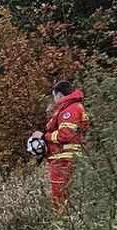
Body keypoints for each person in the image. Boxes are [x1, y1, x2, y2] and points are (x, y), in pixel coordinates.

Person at [30, 80, 88, 210]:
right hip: (65, 157)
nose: (54, 100)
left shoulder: (70, 110)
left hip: (62, 159)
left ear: (60, 95)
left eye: (54, 96)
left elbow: (65, 135)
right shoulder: (75, 107)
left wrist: (44, 137)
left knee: (59, 193)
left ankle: (63, 220)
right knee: (68, 193)